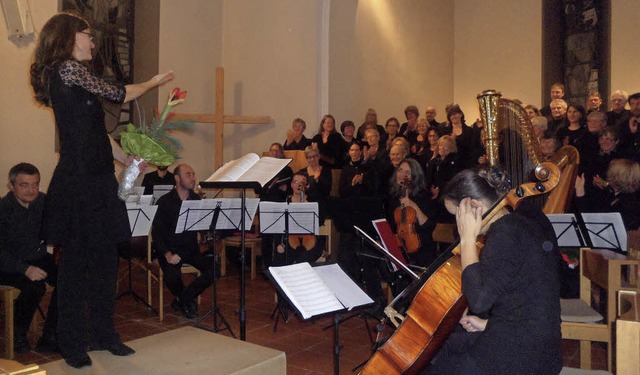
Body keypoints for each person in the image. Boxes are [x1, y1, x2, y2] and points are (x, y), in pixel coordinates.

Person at [29, 13, 174, 369]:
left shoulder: (78, 80)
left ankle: (104, 334)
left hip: (98, 181)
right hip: (77, 182)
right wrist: (153, 82)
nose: (93, 42)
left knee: (106, 263)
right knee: (77, 266)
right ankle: (72, 343)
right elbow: (119, 92)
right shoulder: (65, 69)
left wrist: (129, 159)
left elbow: (99, 134)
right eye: (88, 35)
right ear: (70, 37)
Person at [427, 167, 562, 374]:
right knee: (447, 346)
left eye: (457, 215)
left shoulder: (505, 234)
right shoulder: (519, 223)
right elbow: (526, 298)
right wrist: (487, 324)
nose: (458, 222)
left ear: (476, 206)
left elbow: (479, 301)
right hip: (537, 345)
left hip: (523, 357)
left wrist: (467, 240)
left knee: (437, 363)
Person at [0, 163, 58, 353]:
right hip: (7, 265)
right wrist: (25, 269)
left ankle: (50, 334)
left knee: (69, 278)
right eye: (24, 185)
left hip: (36, 257)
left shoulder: (42, 201)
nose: (31, 190)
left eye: (35, 184)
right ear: (11, 185)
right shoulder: (3, 209)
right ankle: (17, 335)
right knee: (34, 287)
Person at [151, 164, 215, 320]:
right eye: (188, 175)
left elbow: (203, 227)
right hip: (170, 250)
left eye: (193, 174)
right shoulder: (165, 201)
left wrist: (211, 231)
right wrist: (167, 254)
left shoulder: (196, 199)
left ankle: (183, 299)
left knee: (215, 269)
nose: (192, 178)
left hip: (190, 249)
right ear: (177, 178)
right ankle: (185, 300)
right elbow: (157, 232)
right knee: (171, 275)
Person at [387, 158, 437, 266]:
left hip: (421, 246)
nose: (402, 175)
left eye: (407, 172)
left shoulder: (423, 196)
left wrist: (413, 205)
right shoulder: (394, 196)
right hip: (400, 244)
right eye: (400, 170)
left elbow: (429, 226)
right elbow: (392, 225)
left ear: (414, 177)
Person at [272, 173, 325, 266]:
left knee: (310, 252)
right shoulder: (285, 202)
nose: (298, 185)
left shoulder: (313, 201)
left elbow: (320, 221)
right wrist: (279, 244)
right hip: (290, 239)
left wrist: (307, 206)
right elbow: (278, 226)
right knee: (280, 254)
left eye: (302, 182)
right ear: (291, 185)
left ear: (307, 186)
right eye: (296, 182)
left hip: (309, 239)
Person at [575, 159, 640, 230]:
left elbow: (590, 223)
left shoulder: (627, 204)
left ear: (616, 177)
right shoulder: (613, 192)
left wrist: (579, 189)